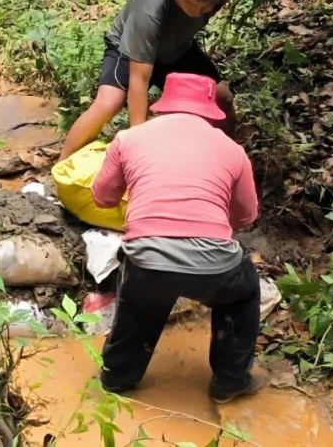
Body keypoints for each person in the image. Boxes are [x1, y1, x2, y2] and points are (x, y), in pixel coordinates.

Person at [92, 72, 262, 403]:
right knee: (242, 292)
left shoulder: (129, 139)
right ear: (211, 109)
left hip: (148, 259)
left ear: (164, 105)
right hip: (215, 267)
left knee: (141, 290)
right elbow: (245, 217)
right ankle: (229, 381)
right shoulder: (232, 150)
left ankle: (119, 377)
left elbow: (103, 197)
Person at [59, 0, 235, 160]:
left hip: (176, 49)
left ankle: (227, 159)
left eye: (206, 6)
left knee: (222, 97)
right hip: (127, 48)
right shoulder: (149, 11)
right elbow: (139, 80)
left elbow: (202, 9)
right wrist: (139, 142)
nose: (199, 12)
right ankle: (60, 167)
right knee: (109, 103)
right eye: (191, 4)